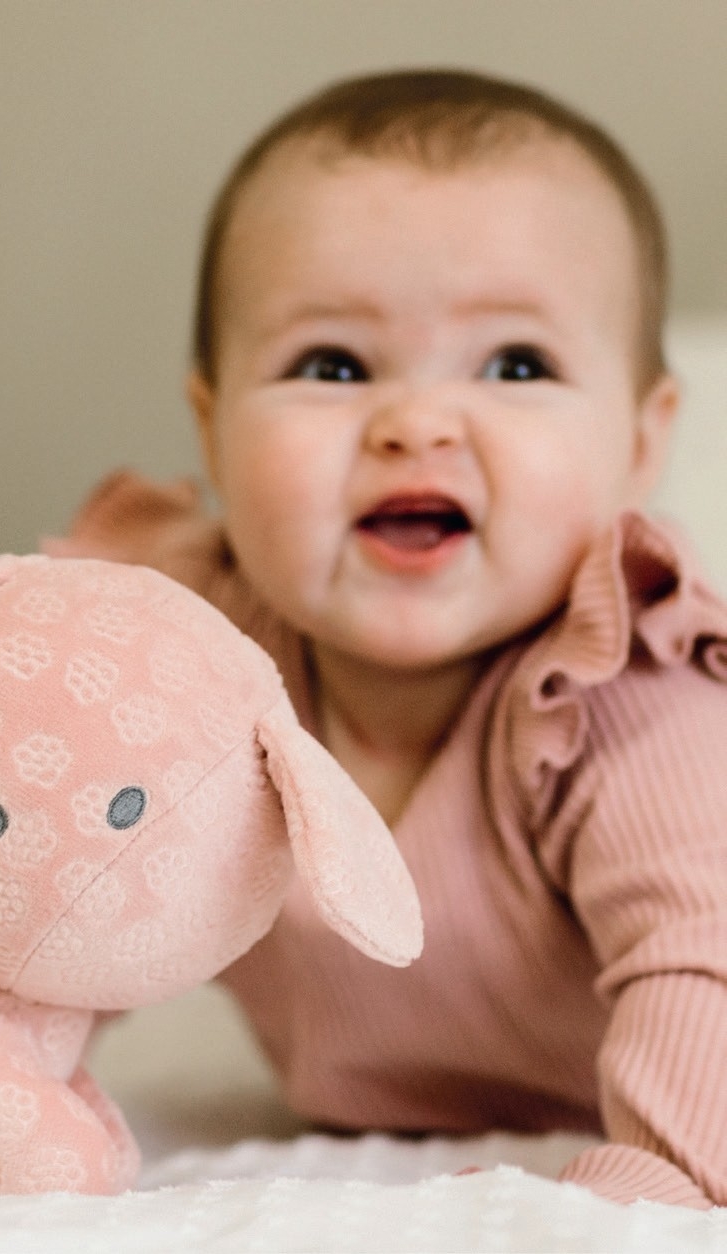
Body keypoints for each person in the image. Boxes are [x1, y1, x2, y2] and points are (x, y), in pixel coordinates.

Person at [50, 68, 727, 1209]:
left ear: (636, 439)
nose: (414, 424)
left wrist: (651, 1182)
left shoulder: (624, 702)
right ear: (211, 432)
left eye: (515, 366)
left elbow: (701, 958)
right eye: (332, 367)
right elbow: (50, 898)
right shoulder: (184, 661)